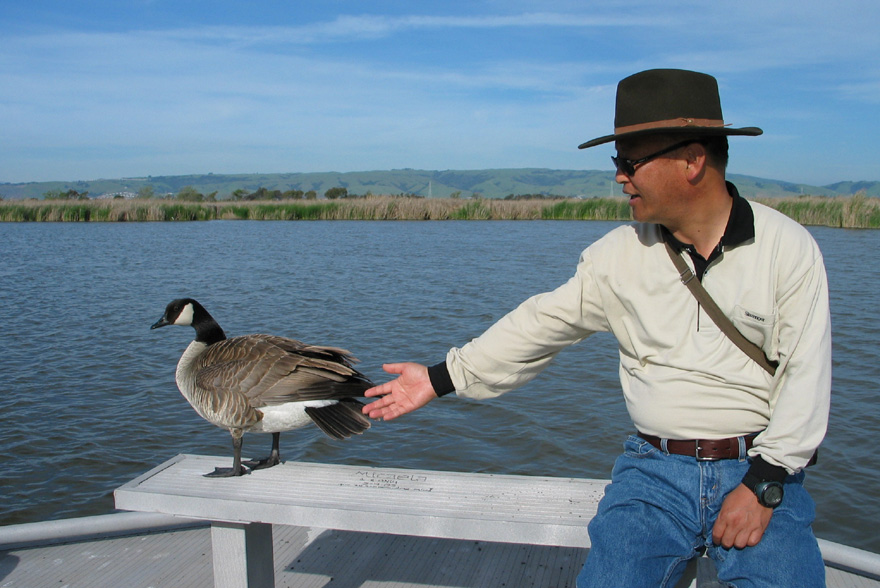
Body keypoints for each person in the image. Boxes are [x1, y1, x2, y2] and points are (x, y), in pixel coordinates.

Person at [362, 68, 831, 588]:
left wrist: (764, 485)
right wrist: (438, 378)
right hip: (653, 474)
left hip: (759, 468)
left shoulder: (787, 249)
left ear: (693, 160)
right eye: (617, 162)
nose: (619, 177)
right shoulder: (616, 257)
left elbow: (805, 380)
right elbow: (540, 324)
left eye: (630, 161)